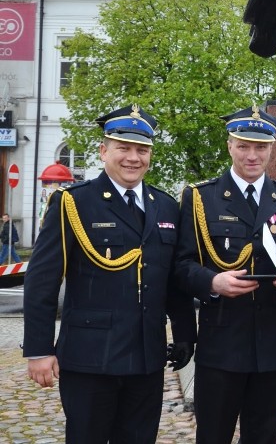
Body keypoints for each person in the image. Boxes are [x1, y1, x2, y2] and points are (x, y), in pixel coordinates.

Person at [22, 104, 196, 444]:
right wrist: (39, 350)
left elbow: (172, 280)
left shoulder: (164, 205)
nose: (133, 158)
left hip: (146, 357)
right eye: (124, 148)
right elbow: (42, 280)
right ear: (104, 151)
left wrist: (186, 334)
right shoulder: (73, 202)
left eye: (142, 150)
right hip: (90, 360)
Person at [174, 105, 276, 444]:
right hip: (221, 342)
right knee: (213, 436)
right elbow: (181, 266)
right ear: (229, 146)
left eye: (261, 147)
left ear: (271, 148)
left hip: (271, 343)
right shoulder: (200, 198)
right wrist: (211, 282)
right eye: (243, 145)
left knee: (263, 436)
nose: (252, 155)